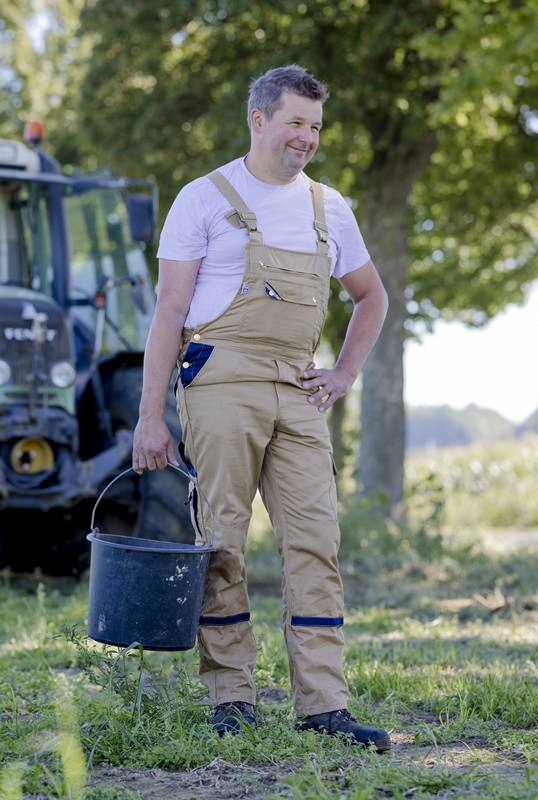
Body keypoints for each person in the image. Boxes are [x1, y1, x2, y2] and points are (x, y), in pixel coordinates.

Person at [131, 65, 391, 751]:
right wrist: (149, 416)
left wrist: (343, 373)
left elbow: (372, 296)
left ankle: (324, 707)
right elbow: (170, 312)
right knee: (222, 541)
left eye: (315, 127)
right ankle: (232, 698)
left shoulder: (328, 208)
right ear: (257, 119)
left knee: (316, 542)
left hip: (297, 390)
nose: (306, 138)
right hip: (219, 381)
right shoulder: (204, 198)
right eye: (295, 123)